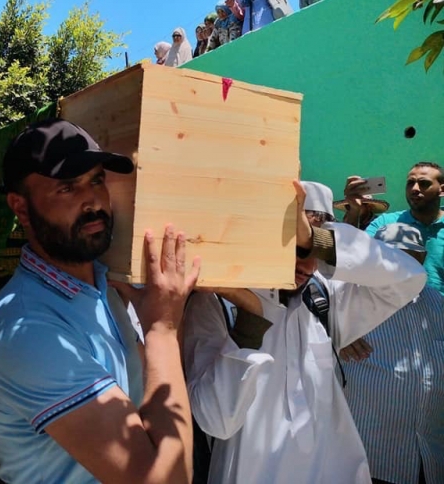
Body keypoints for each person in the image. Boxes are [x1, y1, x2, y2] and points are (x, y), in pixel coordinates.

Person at [0, 118, 200, 483]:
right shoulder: (29, 330)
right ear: (20, 207)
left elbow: (147, 399)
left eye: (97, 180)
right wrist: (161, 329)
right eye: (67, 187)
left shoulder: (102, 287)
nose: (93, 200)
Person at [183, 179, 427, 483]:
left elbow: (410, 277)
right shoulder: (216, 303)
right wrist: (250, 322)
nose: (307, 264)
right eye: (295, 247)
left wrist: (317, 240)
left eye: (313, 248)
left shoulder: (325, 297)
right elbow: (216, 421)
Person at [343, 223, 444, 484]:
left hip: (430, 457)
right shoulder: (348, 299)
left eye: (408, 257)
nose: (399, 266)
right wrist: (334, 335)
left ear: (421, 258)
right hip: (372, 458)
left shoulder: (437, 303)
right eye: (391, 257)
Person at [359, 162, 444, 296]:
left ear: (442, 190)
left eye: (424, 183)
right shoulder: (384, 223)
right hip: (394, 305)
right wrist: (353, 212)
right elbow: (359, 256)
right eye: (410, 183)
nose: (414, 188)